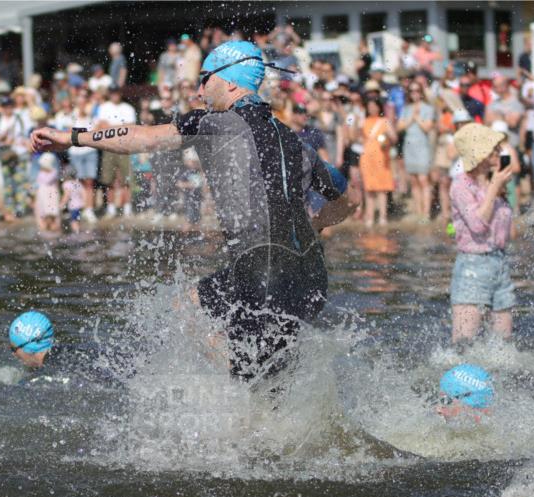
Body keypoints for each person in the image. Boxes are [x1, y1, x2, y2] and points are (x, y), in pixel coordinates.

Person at [30, 40, 359, 381]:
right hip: (310, 279)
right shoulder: (296, 141)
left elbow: (145, 137)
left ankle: (232, 394)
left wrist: (71, 137)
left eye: (206, 78)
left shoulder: (214, 122)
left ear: (230, 81)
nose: (200, 89)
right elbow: (351, 199)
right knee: (192, 309)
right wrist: (316, 225)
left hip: (262, 276)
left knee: (253, 390)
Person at [449, 122, 516, 344]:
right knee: (464, 344)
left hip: (500, 264)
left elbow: (508, 230)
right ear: (479, 153)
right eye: (494, 148)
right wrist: (495, 187)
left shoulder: (495, 181)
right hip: (473, 266)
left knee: (503, 348)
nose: (499, 151)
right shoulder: (460, 186)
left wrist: (497, 186)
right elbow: (478, 225)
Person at [96, 87, 137, 218]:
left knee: (127, 179)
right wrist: (120, 127)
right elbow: (102, 126)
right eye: (112, 93)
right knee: (109, 179)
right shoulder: (104, 107)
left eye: (117, 93)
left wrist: (112, 127)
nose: (115, 95)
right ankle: (111, 208)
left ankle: (127, 208)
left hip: (124, 147)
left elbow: (131, 128)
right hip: (109, 147)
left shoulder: (128, 108)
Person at [398, 82, 435, 220]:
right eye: (412, 91)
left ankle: (426, 213)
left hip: (422, 146)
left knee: (423, 179)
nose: (414, 93)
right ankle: (419, 212)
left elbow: (427, 127)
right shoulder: (406, 108)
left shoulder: (428, 108)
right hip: (409, 146)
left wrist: (417, 118)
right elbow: (400, 126)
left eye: (417, 90)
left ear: (421, 92)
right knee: (413, 180)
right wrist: (411, 118)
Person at [360, 96, 396, 227]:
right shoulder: (364, 121)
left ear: (379, 107)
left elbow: (394, 138)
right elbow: (356, 138)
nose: (372, 108)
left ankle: (382, 217)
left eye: (374, 106)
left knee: (381, 189)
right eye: (369, 106)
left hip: (381, 158)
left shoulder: (384, 121)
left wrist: (387, 138)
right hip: (367, 158)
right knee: (369, 189)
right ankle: (369, 217)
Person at [176, 147, 204, 230]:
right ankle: (186, 231)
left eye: (196, 162)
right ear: (187, 162)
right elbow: (179, 183)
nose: (194, 164)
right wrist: (189, 184)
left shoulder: (199, 172)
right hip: (188, 200)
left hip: (197, 199)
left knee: (197, 218)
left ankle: (196, 233)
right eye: (192, 161)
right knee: (188, 218)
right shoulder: (186, 173)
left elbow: (200, 184)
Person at [35, 152, 61, 232]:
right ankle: (43, 229)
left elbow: (47, 181)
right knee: (43, 213)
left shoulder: (54, 172)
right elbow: (38, 185)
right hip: (42, 195)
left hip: (51, 194)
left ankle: (56, 228)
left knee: (54, 213)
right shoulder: (40, 173)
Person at [60, 165, 85, 233]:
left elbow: (66, 195)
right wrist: (84, 203)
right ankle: (79, 231)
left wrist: (62, 204)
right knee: (78, 220)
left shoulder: (66, 184)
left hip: (73, 206)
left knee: (73, 221)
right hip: (80, 205)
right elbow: (83, 193)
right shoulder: (78, 183)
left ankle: (76, 233)